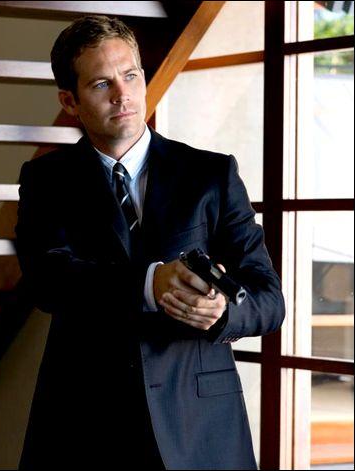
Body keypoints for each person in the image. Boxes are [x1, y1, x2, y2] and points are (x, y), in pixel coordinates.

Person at [15, 15, 285, 470]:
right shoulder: (46, 180)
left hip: (199, 425)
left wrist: (221, 312)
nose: (122, 95)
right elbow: (48, 280)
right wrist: (149, 283)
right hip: (82, 422)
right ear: (70, 101)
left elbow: (269, 300)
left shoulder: (211, 174)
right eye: (101, 83)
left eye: (130, 75)